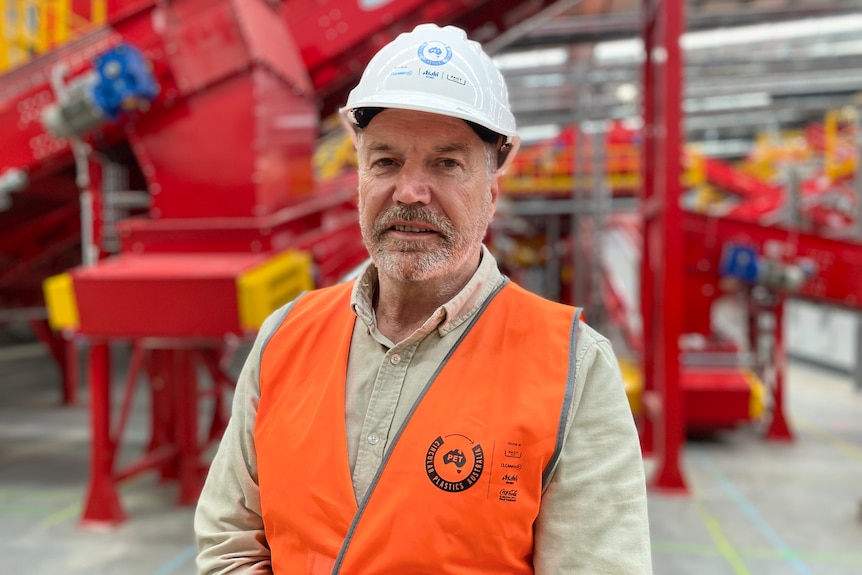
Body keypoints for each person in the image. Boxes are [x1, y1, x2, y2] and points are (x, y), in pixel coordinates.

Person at [194, 23, 652, 574]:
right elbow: (230, 541)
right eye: (386, 161)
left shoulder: (573, 366)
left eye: (446, 163)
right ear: (359, 176)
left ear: (492, 187)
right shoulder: (286, 335)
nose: (409, 191)